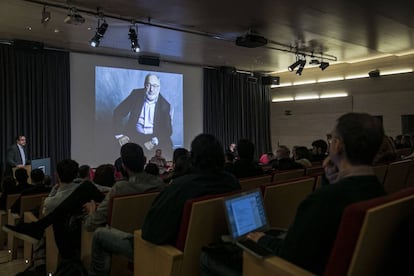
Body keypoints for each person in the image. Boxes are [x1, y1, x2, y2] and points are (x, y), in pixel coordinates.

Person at [201, 112, 386, 276]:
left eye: (331, 139)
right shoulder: (379, 191)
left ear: (337, 146)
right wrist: (331, 179)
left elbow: (288, 254)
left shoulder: (322, 200)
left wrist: (261, 238)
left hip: (290, 268)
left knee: (208, 257)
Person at [88, 133, 241, 276]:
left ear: (193, 158)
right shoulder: (231, 182)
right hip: (205, 251)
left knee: (100, 234)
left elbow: (151, 234)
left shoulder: (181, 187)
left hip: (167, 252)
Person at [112, 73, 173, 157]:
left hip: (154, 136)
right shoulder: (136, 94)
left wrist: (154, 141)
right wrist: (120, 135)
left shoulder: (165, 105)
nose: (151, 89)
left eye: (155, 86)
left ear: (159, 87)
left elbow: (168, 130)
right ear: (144, 85)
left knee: (167, 149)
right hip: (134, 134)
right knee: (117, 150)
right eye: (149, 85)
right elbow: (118, 112)